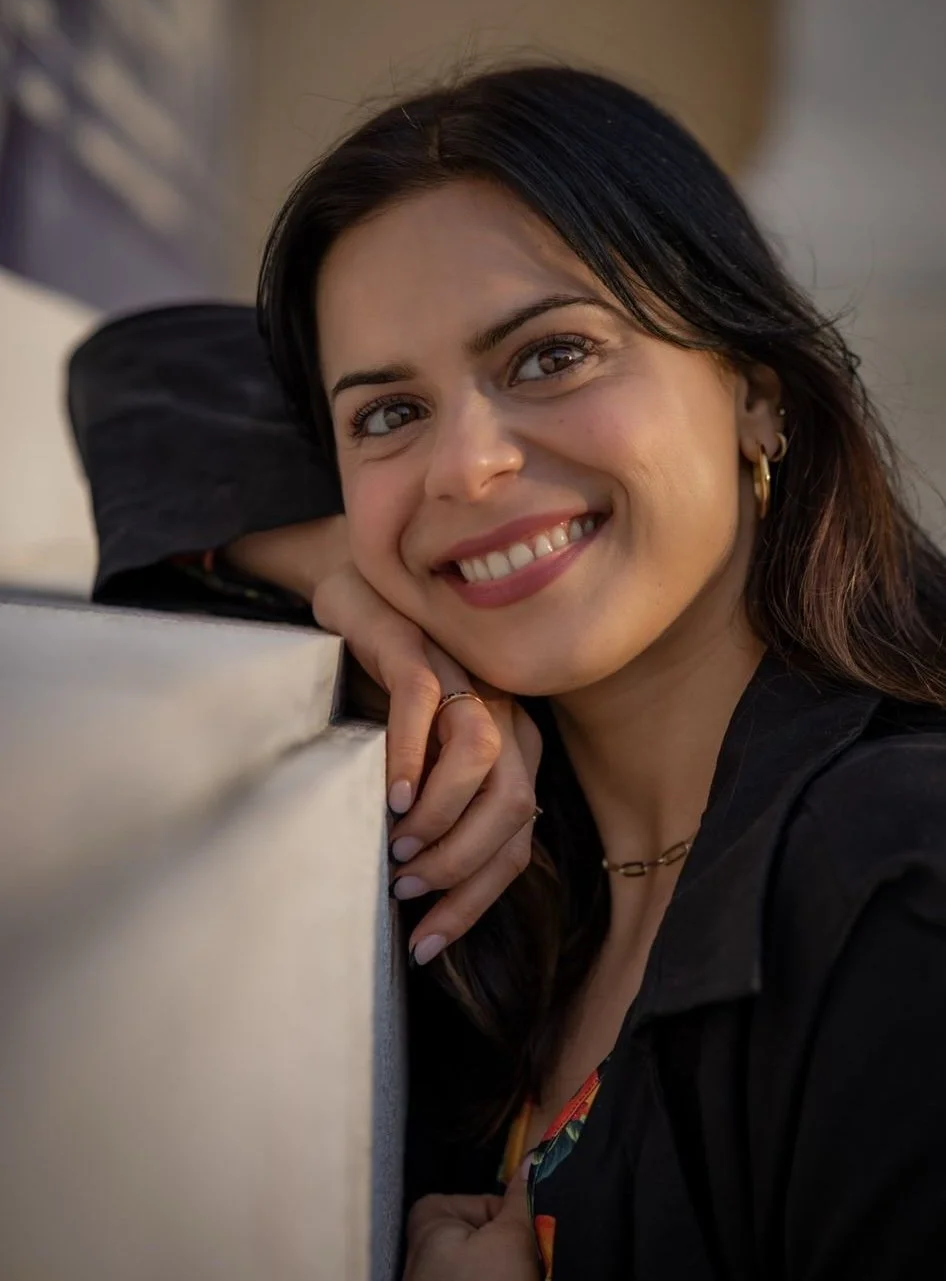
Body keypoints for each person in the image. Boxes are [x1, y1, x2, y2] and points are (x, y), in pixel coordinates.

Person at [69, 66, 946, 1280]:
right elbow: (143, 364)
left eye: (551, 355)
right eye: (387, 414)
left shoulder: (900, 878)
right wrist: (352, 565)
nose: (467, 466)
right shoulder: (515, 867)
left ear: (755, 389)